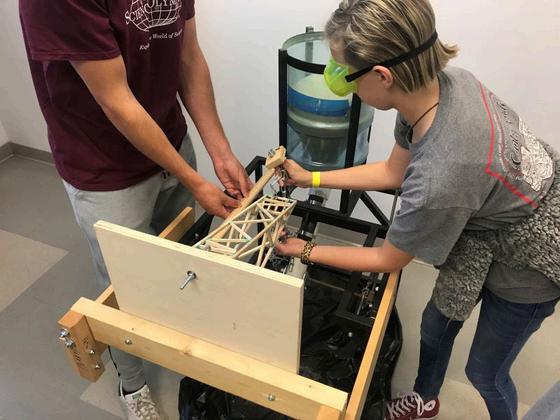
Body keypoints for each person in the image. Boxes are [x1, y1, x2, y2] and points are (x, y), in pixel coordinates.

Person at [275, 1, 560, 419]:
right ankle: (425, 401)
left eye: (345, 73)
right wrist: (311, 178)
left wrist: (303, 250)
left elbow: (388, 259)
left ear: (382, 76)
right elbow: (393, 171)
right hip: (488, 214)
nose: (341, 82)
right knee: (435, 326)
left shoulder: (440, 174)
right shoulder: (442, 87)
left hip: (534, 255)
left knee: (485, 373)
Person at [19, 1, 250, 419]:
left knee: (183, 257)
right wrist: (195, 181)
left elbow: (188, 57)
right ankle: (132, 384)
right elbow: (116, 100)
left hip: (168, 138)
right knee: (124, 284)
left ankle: (184, 342)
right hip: (103, 163)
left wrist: (220, 152)